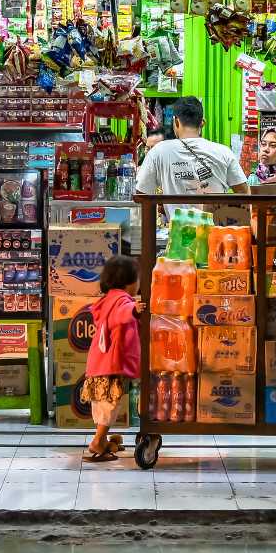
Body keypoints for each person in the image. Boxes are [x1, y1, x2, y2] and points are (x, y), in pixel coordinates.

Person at [136, 97, 249, 214]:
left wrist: (165, 204)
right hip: (215, 231)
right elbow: (244, 193)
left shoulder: (158, 151)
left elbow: (141, 195)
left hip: (178, 231)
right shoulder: (224, 152)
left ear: (176, 121)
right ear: (202, 123)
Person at [81, 256, 143, 463]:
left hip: (98, 361)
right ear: (129, 282)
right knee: (109, 403)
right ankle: (98, 440)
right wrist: (135, 310)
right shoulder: (122, 300)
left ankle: (103, 437)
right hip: (111, 361)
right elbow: (122, 314)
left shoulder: (106, 299)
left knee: (101, 402)